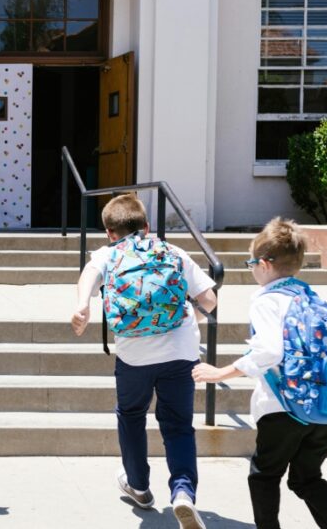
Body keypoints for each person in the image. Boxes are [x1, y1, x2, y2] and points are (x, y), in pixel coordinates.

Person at [193, 218, 327, 529]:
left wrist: (220, 373)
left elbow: (270, 350)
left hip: (282, 408)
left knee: (264, 476)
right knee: (307, 478)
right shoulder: (311, 297)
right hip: (324, 407)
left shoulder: (266, 300)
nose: (251, 269)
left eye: (250, 262)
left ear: (265, 264)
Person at [70, 193, 216, 529]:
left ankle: (138, 485)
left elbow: (87, 278)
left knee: (132, 415)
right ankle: (182, 493)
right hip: (181, 353)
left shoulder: (108, 254)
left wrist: (83, 306)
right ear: (147, 226)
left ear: (109, 232)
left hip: (134, 355)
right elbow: (210, 298)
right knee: (178, 424)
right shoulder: (173, 252)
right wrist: (190, 317)